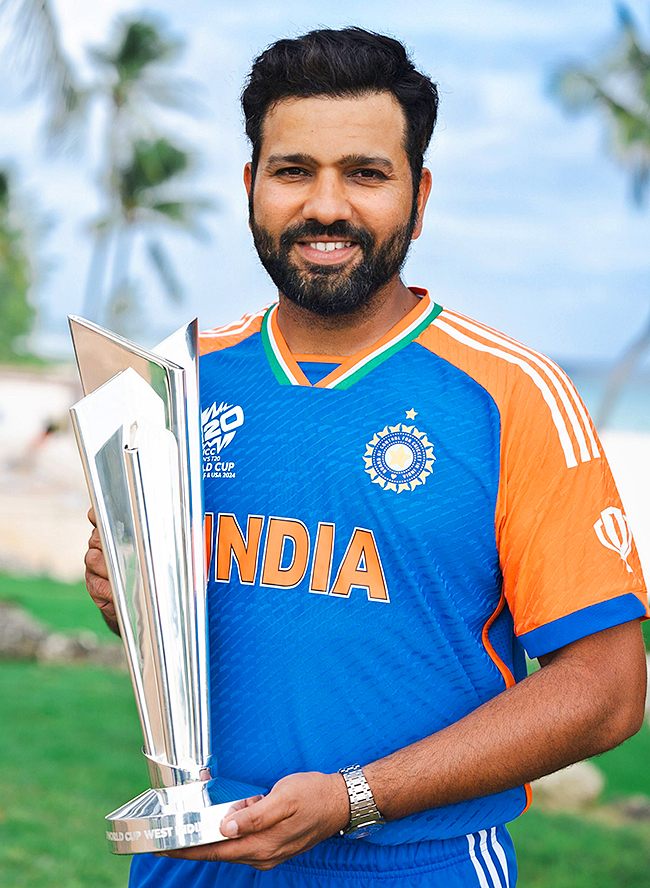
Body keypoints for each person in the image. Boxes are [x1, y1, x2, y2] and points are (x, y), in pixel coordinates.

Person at [85, 27, 649, 888]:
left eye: (367, 172)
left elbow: (608, 690)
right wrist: (130, 592)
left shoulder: (513, 394)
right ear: (252, 186)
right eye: (294, 170)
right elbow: (202, 635)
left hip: (417, 863)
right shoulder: (182, 378)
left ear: (419, 195)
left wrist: (355, 796)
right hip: (195, 856)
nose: (326, 206)